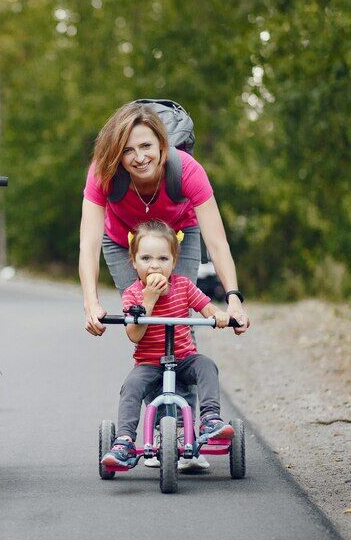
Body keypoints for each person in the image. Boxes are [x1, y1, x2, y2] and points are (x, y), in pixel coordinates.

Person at [79, 102, 250, 333]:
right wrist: (91, 304)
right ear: (118, 154)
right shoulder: (103, 172)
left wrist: (233, 299)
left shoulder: (187, 170)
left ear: (162, 144)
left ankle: (185, 365)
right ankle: (149, 368)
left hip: (179, 235)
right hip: (123, 240)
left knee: (178, 318)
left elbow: (217, 243)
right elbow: (89, 244)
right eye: (127, 150)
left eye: (146, 145)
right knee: (141, 318)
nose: (139, 157)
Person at [100, 221, 238, 470]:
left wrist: (217, 314)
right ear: (133, 261)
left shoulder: (183, 286)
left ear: (174, 262)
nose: (154, 265)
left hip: (184, 358)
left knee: (207, 365)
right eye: (146, 258)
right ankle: (125, 440)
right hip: (149, 363)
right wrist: (148, 300)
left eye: (163, 258)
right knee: (131, 386)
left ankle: (210, 418)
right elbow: (134, 334)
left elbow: (206, 307)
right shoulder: (133, 294)